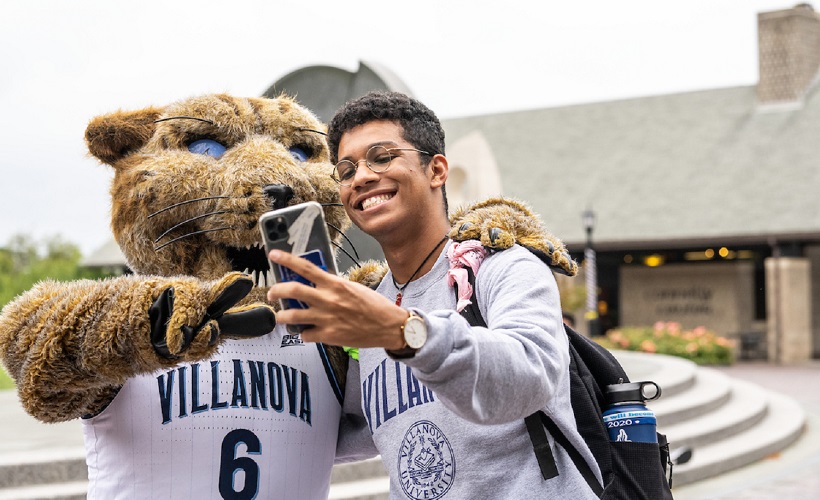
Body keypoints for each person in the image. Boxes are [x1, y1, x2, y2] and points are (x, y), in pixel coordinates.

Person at [267, 91, 601, 499]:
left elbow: (531, 376)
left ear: (437, 170)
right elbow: (333, 431)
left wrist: (403, 332)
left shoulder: (502, 266)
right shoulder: (374, 305)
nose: (361, 177)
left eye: (382, 156)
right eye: (346, 168)